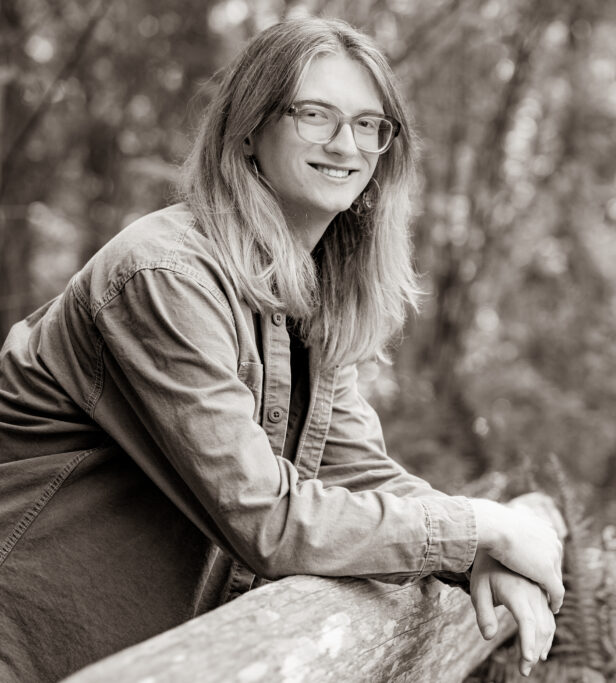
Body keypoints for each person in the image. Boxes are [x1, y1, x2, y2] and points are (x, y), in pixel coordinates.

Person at [0, 17, 562, 682]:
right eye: (313, 113)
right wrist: (485, 525)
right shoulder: (165, 276)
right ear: (248, 128)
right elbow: (265, 516)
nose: (343, 143)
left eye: (366, 124)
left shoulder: (309, 297)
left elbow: (361, 476)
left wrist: (480, 557)